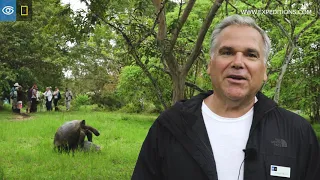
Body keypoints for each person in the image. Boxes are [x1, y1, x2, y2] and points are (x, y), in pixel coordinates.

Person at [132, 15, 320, 180]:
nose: (238, 62)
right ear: (210, 65)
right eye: (227, 52)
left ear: (265, 72)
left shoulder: (297, 132)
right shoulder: (170, 125)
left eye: (251, 54)